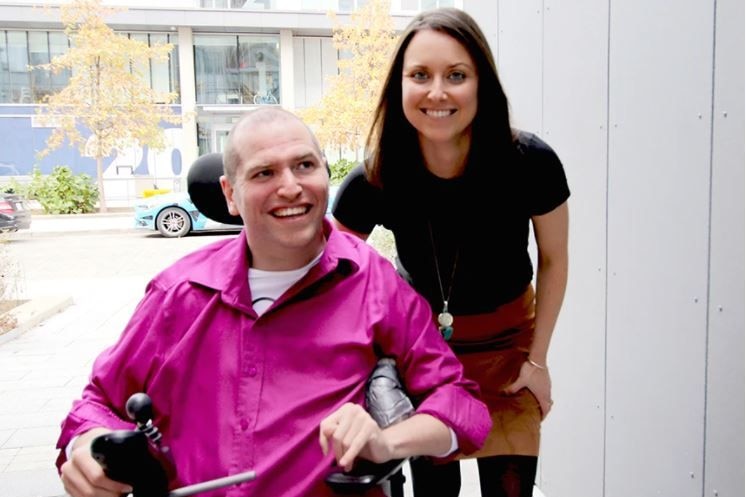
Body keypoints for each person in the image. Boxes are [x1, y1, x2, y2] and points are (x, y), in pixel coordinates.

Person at [54, 107, 492, 497]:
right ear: (230, 193)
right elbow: (97, 403)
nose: (291, 187)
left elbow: (463, 409)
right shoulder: (178, 292)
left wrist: (386, 441)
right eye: (264, 173)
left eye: (305, 165)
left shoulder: (373, 282)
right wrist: (88, 447)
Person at [332, 8, 570, 497]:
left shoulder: (532, 163)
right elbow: (334, 274)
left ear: (481, 84)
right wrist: (365, 366)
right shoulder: (375, 177)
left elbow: (554, 259)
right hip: (423, 355)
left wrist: (539, 361)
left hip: (509, 352)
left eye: (456, 76)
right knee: (435, 491)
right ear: (399, 86)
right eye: (420, 75)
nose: (437, 92)